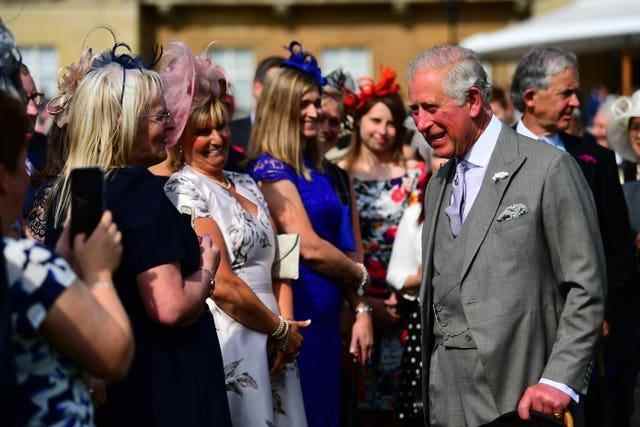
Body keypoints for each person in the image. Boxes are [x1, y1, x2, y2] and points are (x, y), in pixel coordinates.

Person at [408, 44, 606, 426]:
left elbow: (586, 287)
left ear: (473, 101)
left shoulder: (547, 169)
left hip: (521, 398)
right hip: (444, 397)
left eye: (431, 108)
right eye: (414, 110)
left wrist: (559, 381)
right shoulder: (438, 184)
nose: (420, 123)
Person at [44, 43, 232, 427]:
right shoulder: (136, 190)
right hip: (165, 390)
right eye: (159, 116)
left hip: (115, 388)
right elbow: (170, 306)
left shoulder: (78, 188)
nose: (169, 126)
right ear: (124, 122)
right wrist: (208, 271)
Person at [155, 41, 308, 427]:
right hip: (232, 334)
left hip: (277, 333)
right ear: (182, 138)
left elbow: (283, 257)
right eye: (203, 131)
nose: (218, 138)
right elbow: (221, 283)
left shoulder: (249, 181)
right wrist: (275, 329)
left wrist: (285, 329)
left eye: (222, 126)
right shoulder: (183, 189)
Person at [248, 41, 374, 427]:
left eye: (316, 102)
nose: (315, 111)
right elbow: (307, 247)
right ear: (281, 106)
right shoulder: (270, 169)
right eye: (304, 103)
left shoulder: (320, 170)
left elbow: (349, 247)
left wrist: (361, 308)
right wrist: (359, 278)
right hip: (298, 312)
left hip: (331, 314)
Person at [511, 47, 636, 427]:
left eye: (575, 92)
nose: (576, 102)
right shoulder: (496, 160)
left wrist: (602, 312)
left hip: (583, 335)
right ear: (531, 98)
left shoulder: (593, 160)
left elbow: (617, 251)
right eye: (566, 93)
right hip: (517, 330)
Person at [1, 86, 134, 426]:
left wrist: (59, 260)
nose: (29, 173)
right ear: (3, 178)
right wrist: (98, 275)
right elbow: (114, 354)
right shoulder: (21, 265)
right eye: (22, 162)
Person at [335, 67, 424, 424]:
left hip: (404, 293)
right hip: (355, 295)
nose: (382, 131)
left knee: (402, 399)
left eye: (390, 123)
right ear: (358, 121)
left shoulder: (415, 170)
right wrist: (361, 302)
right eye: (375, 120)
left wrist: (405, 290)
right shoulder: (338, 170)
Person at [227, 55, 283, 171]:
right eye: (277, 87)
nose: (284, 95)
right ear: (257, 88)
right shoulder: (228, 134)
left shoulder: (296, 137)